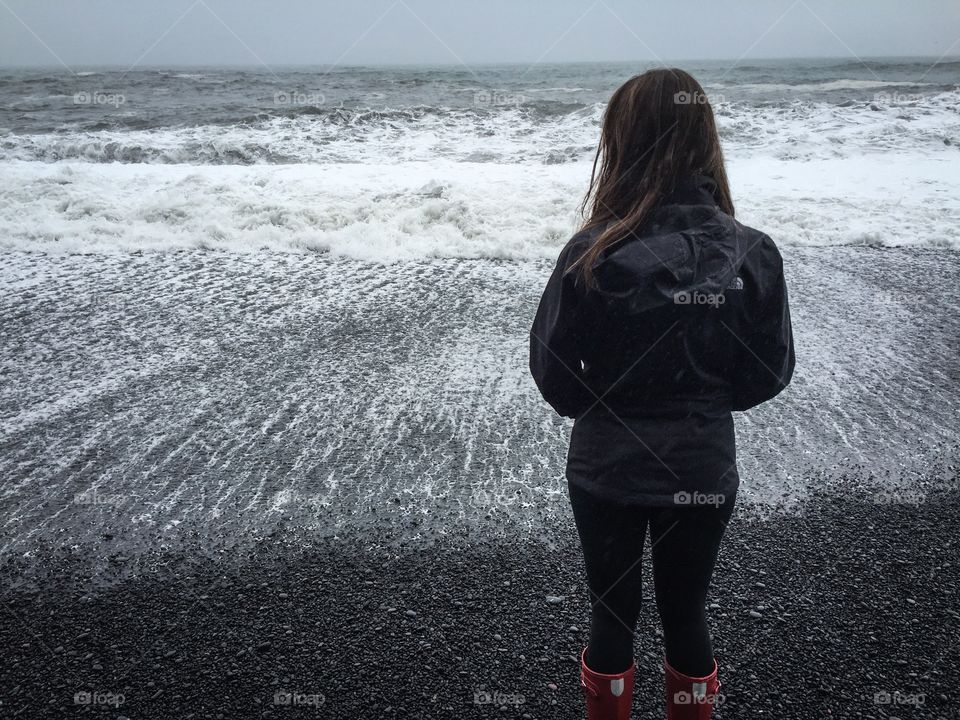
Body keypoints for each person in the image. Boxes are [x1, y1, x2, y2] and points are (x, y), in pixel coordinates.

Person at [529, 68, 795, 720]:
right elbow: (770, 371)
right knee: (687, 611)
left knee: (611, 613)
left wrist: (609, 403)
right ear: (705, 140)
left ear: (621, 144)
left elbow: (554, 375)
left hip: (604, 468)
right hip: (701, 464)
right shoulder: (752, 253)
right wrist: (702, 403)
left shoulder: (590, 254)